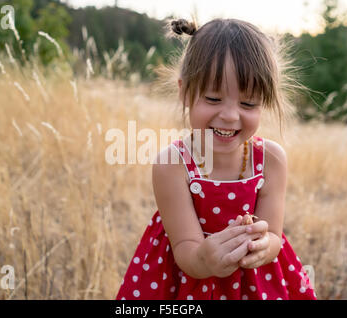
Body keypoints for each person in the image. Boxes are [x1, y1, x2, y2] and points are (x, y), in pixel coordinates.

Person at [116, 18, 316, 300]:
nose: (230, 116)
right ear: (184, 91)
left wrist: (262, 245)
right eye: (212, 98)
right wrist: (206, 260)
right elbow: (185, 248)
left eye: (248, 103)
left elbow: (274, 235)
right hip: (189, 283)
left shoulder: (271, 159)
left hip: (254, 283)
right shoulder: (172, 164)